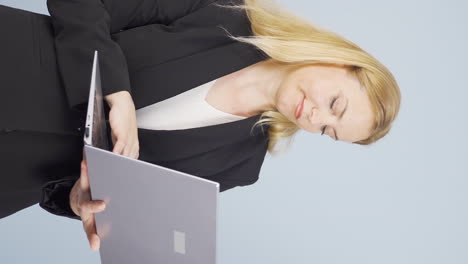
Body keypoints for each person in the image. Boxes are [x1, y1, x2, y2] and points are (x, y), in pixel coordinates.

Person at [0, 0, 401, 251]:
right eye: (335, 104)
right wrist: (116, 90)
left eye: (328, 131)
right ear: (336, 58)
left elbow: (108, 196)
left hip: (12, 178)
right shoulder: (223, 10)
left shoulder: (238, 167)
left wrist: (77, 202)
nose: (317, 118)